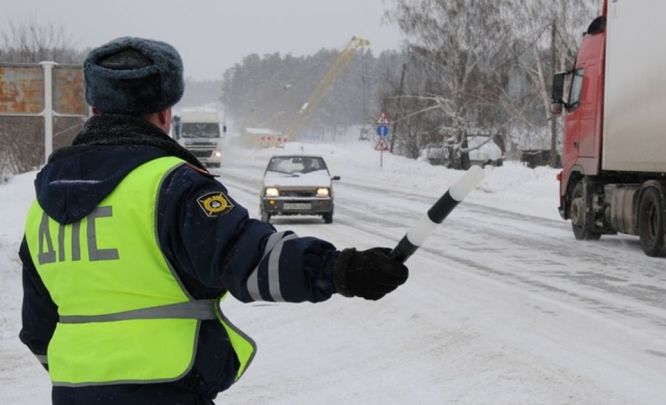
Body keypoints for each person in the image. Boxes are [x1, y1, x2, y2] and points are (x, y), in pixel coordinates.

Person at [18, 36, 409, 405]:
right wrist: (341, 269)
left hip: (72, 391)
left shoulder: (42, 206)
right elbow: (249, 259)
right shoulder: (170, 185)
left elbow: (37, 327)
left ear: (94, 110)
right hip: (168, 386)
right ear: (165, 114)